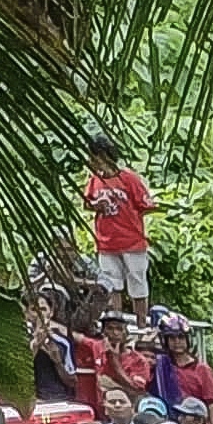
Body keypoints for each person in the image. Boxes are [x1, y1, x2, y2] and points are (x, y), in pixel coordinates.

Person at [82, 134, 154, 317]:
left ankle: (142, 324)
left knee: (137, 282)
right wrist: (96, 206)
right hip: (106, 242)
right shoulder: (95, 181)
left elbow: (145, 205)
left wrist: (129, 220)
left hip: (131, 241)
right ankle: (116, 321)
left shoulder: (128, 178)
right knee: (112, 283)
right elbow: (87, 203)